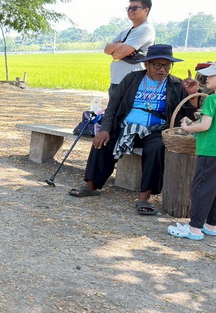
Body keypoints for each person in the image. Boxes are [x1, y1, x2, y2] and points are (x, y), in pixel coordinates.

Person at [69, 44, 199, 215]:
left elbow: (188, 116)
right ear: (146, 64)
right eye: (157, 65)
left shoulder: (175, 84)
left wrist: (192, 95)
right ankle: (91, 185)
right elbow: (113, 105)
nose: (162, 69)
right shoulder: (132, 79)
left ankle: (144, 197)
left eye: (167, 65)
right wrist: (105, 129)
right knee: (103, 141)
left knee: (157, 148)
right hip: (125, 126)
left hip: (155, 130)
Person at [168, 63, 216, 240]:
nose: (206, 79)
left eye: (211, 76)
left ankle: (194, 228)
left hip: (209, 150)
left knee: (201, 188)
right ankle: (211, 225)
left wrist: (187, 127)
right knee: (213, 189)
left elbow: (204, 126)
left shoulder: (211, 99)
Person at [104, 0, 155, 97]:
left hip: (132, 83)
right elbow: (106, 49)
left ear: (145, 10)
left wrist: (117, 47)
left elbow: (118, 54)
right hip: (117, 81)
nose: (130, 11)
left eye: (134, 8)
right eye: (129, 8)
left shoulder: (145, 29)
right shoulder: (126, 31)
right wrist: (120, 46)